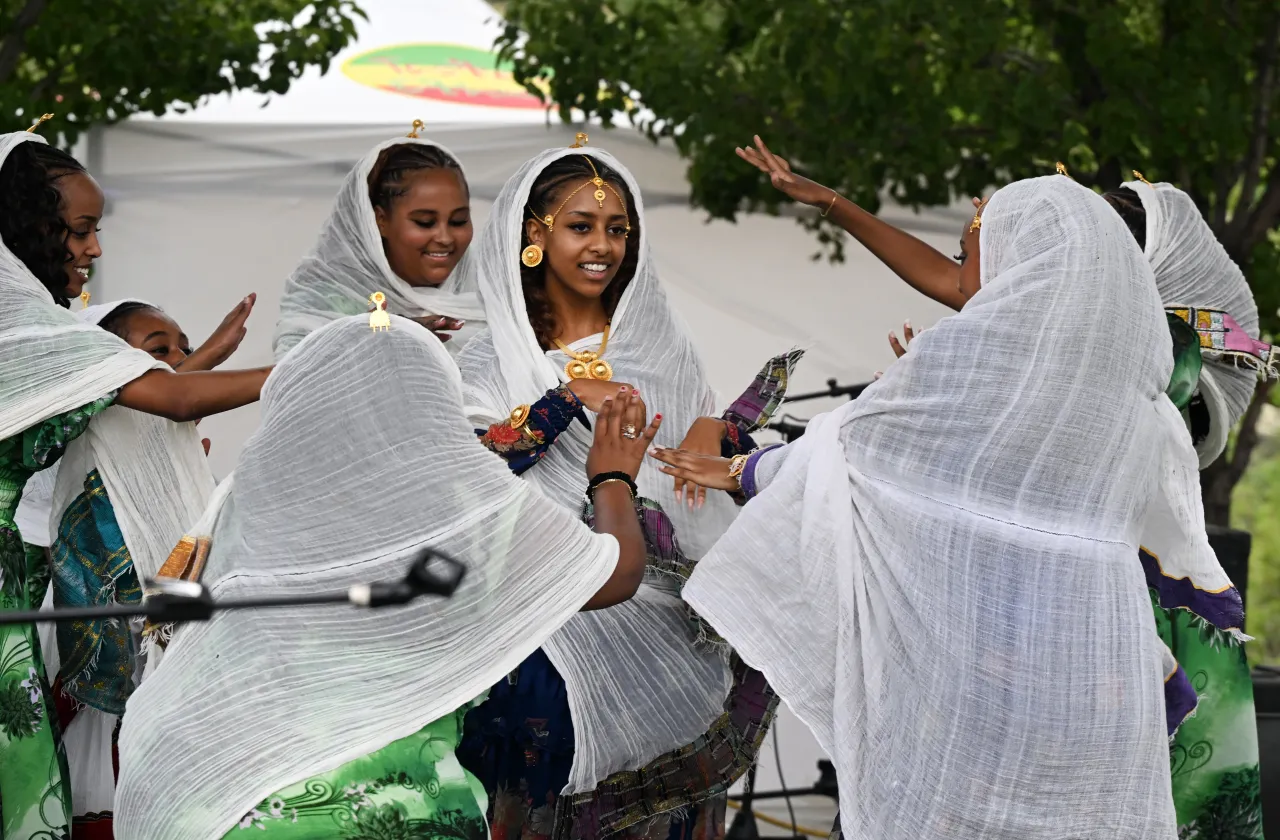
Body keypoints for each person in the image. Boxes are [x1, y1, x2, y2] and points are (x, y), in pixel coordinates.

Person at [734, 136, 1268, 836]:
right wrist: (833, 203)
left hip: (1113, 617)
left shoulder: (1144, 359)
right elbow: (961, 287)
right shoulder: (1068, 339)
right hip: (1040, 617)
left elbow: (971, 304)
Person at [114, 313, 660, 839]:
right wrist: (612, 475)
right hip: (385, 805)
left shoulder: (243, 495)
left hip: (209, 789)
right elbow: (617, 575)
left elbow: (171, 614)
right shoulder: (458, 512)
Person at [455, 140, 797, 838]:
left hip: (666, 631)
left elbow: (685, 476)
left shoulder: (659, 340)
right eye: (581, 226)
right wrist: (562, 397)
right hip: (550, 626)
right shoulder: (487, 354)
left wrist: (717, 436)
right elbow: (466, 472)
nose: (602, 246)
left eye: (618, 230)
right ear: (534, 234)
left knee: (666, 804)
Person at [0, 127, 268, 840]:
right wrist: (324, 359)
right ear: (27, 228)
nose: (93, 250)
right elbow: (171, 399)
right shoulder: (29, 333)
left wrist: (205, 356)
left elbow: (146, 387)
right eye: (80, 230)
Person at [14, 295, 252, 839]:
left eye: (180, 353)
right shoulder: (89, 460)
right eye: (155, 353)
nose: (170, 365)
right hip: (109, 695)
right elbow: (159, 398)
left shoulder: (177, 474)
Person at [273, 123, 486, 359]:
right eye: (425, 222)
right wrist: (376, 343)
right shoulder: (327, 297)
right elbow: (290, 379)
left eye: (458, 221)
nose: (445, 238)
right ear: (380, 220)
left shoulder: (491, 288)